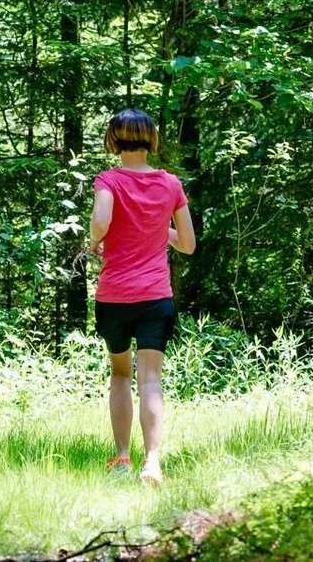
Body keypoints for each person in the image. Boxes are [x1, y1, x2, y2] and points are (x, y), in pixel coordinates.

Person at [82, 108, 195, 486]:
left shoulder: (108, 179)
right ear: (152, 139)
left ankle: (122, 458)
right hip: (155, 298)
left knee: (120, 374)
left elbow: (101, 220)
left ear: (112, 140)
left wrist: (95, 241)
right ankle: (153, 462)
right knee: (151, 381)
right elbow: (189, 245)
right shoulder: (170, 184)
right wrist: (158, 229)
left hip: (114, 296)